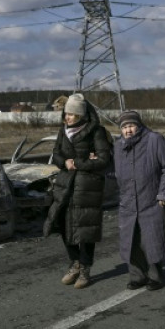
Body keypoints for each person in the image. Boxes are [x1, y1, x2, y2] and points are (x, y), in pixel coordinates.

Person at [42, 93, 112, 289]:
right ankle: (75, 263)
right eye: (66, 113)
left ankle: (85, 269)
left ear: (81, 115)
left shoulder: (95, 131)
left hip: (87, 186)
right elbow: (55, 153)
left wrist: (78, 163)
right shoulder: (63, 131)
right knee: (63, 224)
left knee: (85, 229)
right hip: (65, 185)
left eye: (72, 114)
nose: (67, 117)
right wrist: (63, 162)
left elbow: (104, 159)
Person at [113, 110, 165, 291]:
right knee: (131, 241)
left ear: (138, 126)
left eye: (131, 126)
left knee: (151, 240)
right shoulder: (118, 146)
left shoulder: (154, 140)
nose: (128, 130)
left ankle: (155, 277)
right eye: (124, 127)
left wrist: (164, 194)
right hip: (128, 202)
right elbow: (114, 170)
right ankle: (137, 276)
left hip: (152, 199)